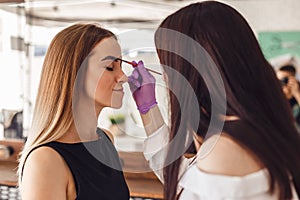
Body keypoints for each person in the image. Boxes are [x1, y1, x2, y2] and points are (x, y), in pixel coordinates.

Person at [128, 1, 300, 200]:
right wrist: (148, 110)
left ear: (189, 70)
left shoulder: (225, 148)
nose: (164, 77)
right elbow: (188, 184)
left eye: (167, 65)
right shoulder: (251, 130)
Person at [18, 22, 129, 200]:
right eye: (110, 67)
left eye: (121, 66)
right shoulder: (46, 160)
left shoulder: (107, 140)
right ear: (74, 74)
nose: (124, 77)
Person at [276, 64, 300, 132]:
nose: (280, 86)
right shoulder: (280, 103)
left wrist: (297, 93)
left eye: (283, 81)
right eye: (277, 82)